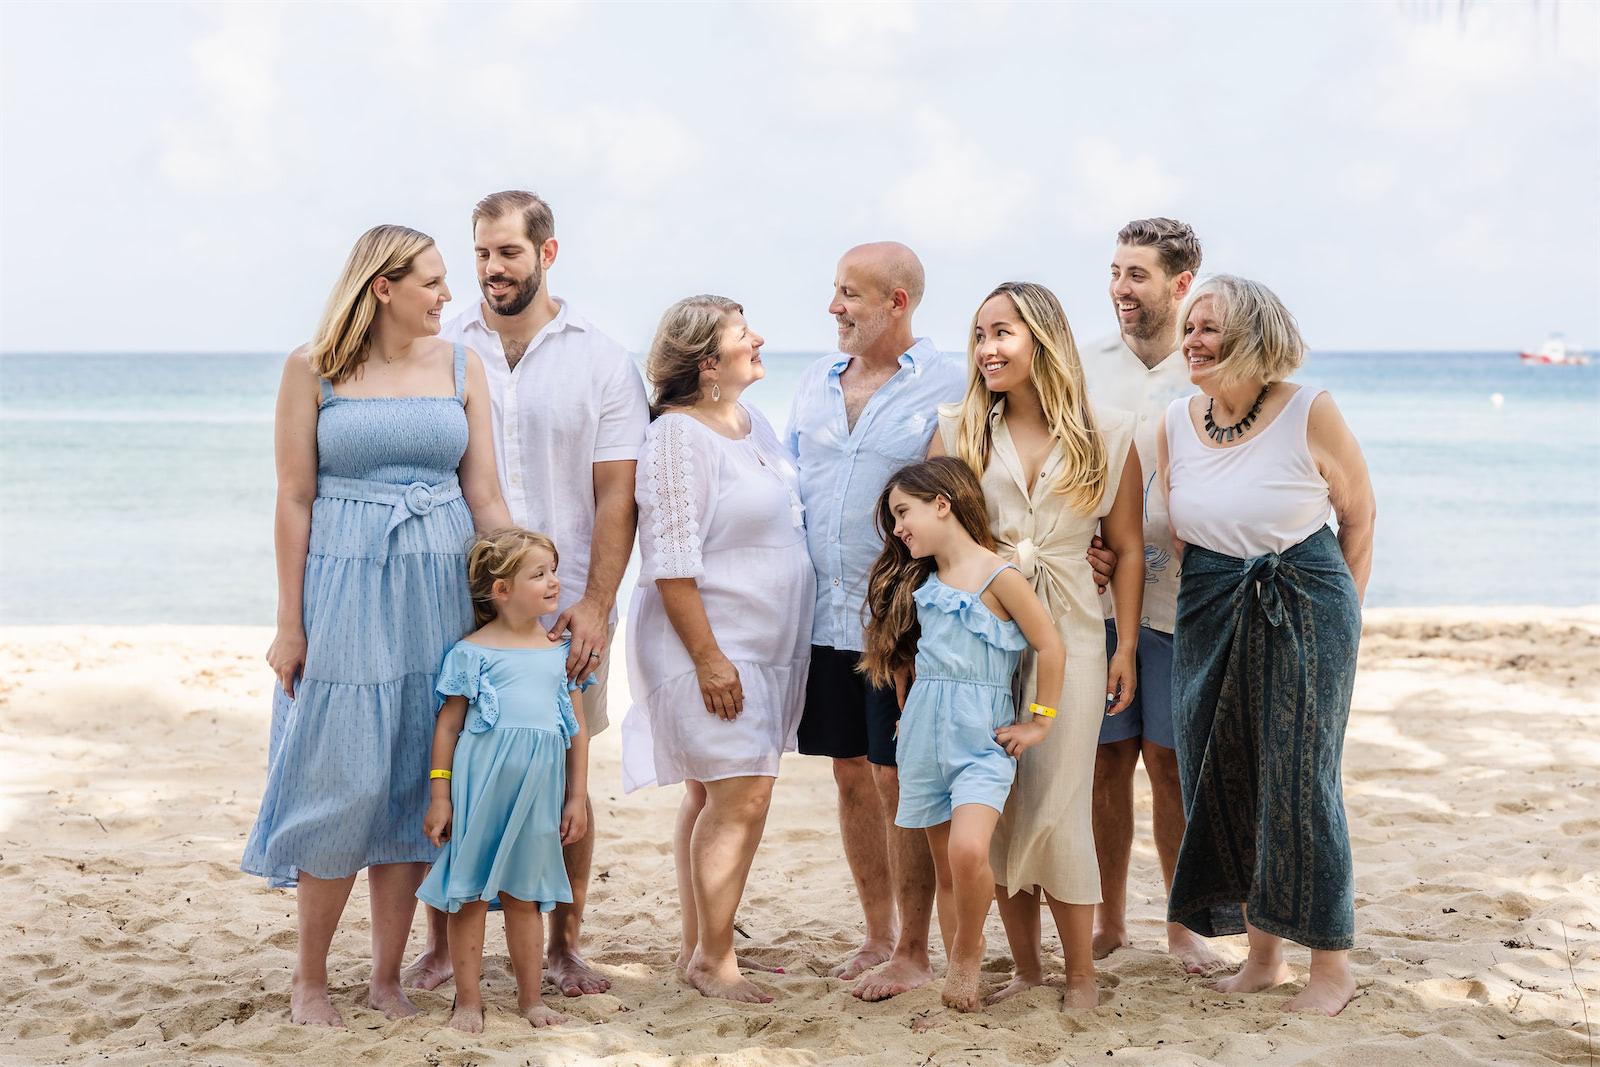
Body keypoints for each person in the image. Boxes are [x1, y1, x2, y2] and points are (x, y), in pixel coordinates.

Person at [242, 225, 511, 1026]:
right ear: (382, 287)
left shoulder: (465, 366)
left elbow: (486, 495)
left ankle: (386, 978)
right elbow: (294, 497)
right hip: (346, 588)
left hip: (441, 584)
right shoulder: (311, 368)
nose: (447, 295)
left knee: (410, 779)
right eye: (431, 281)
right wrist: (289, 623)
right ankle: (311, 979)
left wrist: (524, 595)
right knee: (339, 778)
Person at [413, 190, 648, 997]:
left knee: (562, 762)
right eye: (480, 253)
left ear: (547, 254)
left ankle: (565, 944)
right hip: (458, 598)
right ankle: (445, 943)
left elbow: (618, 495)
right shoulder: (443, 347)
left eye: (507, 253)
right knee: (458, 758)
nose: (490, 269)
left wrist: (595, 601)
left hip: (568, 602)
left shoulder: (604, 360)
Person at [1158, 275, 1375, 1016]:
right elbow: (1178, 534)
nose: (1192, 339)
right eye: (1189, 327)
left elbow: (1359, 516)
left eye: (1209, 327)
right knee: (1220, 777)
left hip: (1302, 599)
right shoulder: (1174, 421)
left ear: (1253, 332)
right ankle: (1263, 957)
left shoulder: (1310, 409)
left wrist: (1339, 620)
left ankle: (1331, 968)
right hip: (1209, 603)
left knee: (1299, 781)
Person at [931, 281, 1144, 1010]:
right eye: (980, 335)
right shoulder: (956, 428)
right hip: (978, 643)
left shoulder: (1108, 433)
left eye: (1003, 333)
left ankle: (1080, 974)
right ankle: (1026, 969)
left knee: (1058, 800)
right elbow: (928, 543)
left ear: (1043, 339)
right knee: (997, 803)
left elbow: (1128, 548)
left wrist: (1124, 647)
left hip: (1076, 636)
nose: (987, 348)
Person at [785, 242, 967, 1001]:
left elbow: (967, 501)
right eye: (834, 290)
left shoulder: (951, 383)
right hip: (822, 617)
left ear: (898, 301)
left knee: (903, 778)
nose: (835, 306)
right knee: (850, 772)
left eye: (850, 293)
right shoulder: (813, 383)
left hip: (899, 623)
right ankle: (878, 934)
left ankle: (919, 948)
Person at [622, 295, 814, 1004]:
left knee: (715, 789)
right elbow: (671, 560)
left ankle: (702, 942)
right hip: (707, 639)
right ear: (708, 362)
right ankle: (715, 960)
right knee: (743, 793)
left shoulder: (748, 420)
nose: (759, 337)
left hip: (762, 641)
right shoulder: (677, 437)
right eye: (743, 333)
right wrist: (708, 657)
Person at [860, 457, 1065, 1012]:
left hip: (983, 740)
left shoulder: (1001, 577)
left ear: (942, 504)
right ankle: (957, 971)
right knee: (946, 866)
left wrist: (1041, 719)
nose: (898, 528)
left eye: (904, 513)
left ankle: (969, 951)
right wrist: (908, 714)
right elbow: (918, 661)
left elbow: (1050, 646)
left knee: (971, 851)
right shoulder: (921, 582)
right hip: (924, 738)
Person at [1078, 218, 1223, 973]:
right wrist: (1082, 544)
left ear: (1180, 283)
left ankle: (1181, 921)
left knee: (1171, 762)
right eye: (1114, 272)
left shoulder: (1207, 362)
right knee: (1107, 764)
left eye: (1136, 275)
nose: (1120, 290)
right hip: (1096, 600)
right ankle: (1107, 920)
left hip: (1181, 601)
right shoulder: (1080, 362)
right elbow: (1062, 461)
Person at [418, 528, 592, 1032]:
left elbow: (575, 732)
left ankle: (530, 1000)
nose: (554, 582)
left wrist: (575, 797)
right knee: (469, 893)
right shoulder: (472, 653)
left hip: (538, 795)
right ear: (501, 590)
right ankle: (468, 1002)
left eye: (554, 570)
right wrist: (439, 796)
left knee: (526, 896)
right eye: (539, 574)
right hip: (479, 791)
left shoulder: (562, 653)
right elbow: (448, 725)